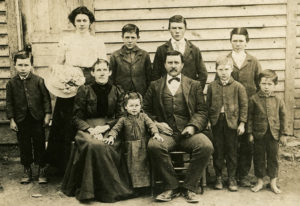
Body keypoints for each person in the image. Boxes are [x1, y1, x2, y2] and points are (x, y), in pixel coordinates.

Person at [144, 50, 213, 203]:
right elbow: (145, 110)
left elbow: (202, 110)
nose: (173, 66)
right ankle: (171, 187)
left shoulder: (194, 85)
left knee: (206, 146)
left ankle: (189, 187)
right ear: (164, 65)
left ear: (182, 65)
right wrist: (156, 124)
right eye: (170, 62)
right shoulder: (154, 85)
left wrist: (193, 126)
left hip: (188, 133)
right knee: (154, 146)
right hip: (165, 134)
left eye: (176, 62)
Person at [61, 59, 133, 203]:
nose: (102, 73)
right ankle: (88, 191)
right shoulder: (84, 90)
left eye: (104, 70)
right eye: (98, 70)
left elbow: (121, 116)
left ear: (110, 72)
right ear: (92, 73)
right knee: (93, 144)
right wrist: (90, 129)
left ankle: (106, 190)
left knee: (105, 145)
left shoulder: (117, 90)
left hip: (110, 127)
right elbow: (75, 117)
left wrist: (106, 127)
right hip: (87, 128)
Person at [46, 6, 107, 174]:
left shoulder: (97, 42)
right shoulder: (66, 40)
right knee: (67, 120)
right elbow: (58, 63)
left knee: (87, 117)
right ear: (74, 22)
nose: (81, 23)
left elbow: (102, 64)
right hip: (70, 81)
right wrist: (64, 79)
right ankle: (63, 166)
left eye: (84, 20)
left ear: (90, 22)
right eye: (78, 20)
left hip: (89, 80)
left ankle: (88, 165)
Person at [224, 27, 262, 186]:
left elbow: (259, 84)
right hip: (231, 107)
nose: (238, 44)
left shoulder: (253, 61)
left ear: (247, 42)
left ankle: (243, 175)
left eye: (241, 41)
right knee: (232, 142)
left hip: (249, 107)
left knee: (247, 142)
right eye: (235, 40)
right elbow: (220, 82)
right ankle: (231, 175)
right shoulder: (225, 60)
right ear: (230, 41)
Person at [6, 50, 52, 184]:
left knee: (39, 143)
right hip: (21, 119)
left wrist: (48, 115)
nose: (23, 68)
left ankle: (42, 168)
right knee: (24, 144)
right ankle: (27, 169)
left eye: (26, 65)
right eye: (20, 65)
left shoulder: (39, 81)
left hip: (37, 118)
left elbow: (46, 99)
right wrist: (12, 119)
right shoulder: (11, 84)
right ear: (15, 65)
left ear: (31, 65)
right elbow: (9, 103)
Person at [206, 56, 248, 192]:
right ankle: (218, 176)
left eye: (226, 69)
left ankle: (231, 177)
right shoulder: (212, 86)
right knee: (218, 149)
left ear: (231, 70)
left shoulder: (238, 87)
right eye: (220, 69)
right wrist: (208, 120)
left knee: (232, 150)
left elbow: (244, 106)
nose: (223, 72)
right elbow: (208, 105)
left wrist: (242, 123)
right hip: (216, 122)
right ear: (216, 71)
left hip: (232, 123)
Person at [107, 92, 161, 189]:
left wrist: (155, 134)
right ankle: (135, 187)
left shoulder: (144, 116)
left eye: (137, 105)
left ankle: (147, 186)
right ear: (125, 107)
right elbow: (116, 129)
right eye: (131, 105)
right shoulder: (123, 119)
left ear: (141, 106)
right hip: (130, 148)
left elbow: (151, 125)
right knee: (132, 168)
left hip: (143, 146)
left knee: (145, 166)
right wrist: (111, 136)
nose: (134, 108)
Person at [248, 69, 288, 194]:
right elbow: (249, 117)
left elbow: (283, 117)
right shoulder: (254, 99)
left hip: (274, 134)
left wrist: (283, 134)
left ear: (275, 85)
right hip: (258, 134)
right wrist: (250, 133)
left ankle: (273, 182)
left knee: (273, 158)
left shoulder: (278, 99)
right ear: (259, 84)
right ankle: (260, 181)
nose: (266, 87)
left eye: (269, 84)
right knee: (259, 157)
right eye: (264, 83)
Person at [152, 15, 207, 91]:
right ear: (169, 29)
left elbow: (203, 74)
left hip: (188, 94)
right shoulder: (161, 50)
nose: (177, 31)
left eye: (180, 28)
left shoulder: (194, 50)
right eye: (174, 28)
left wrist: (195, 92)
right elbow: (155, 76)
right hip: (168, 93)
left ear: (185, 29)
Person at [110, 24, 152, 96]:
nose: (130, 40)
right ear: (122, 37)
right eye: (127, 37)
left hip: (141, 93)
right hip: (121, 93)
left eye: (133, 37)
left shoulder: (145, 55)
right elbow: (111, 78)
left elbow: (149, 77)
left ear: (138, 38)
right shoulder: (115, 55)